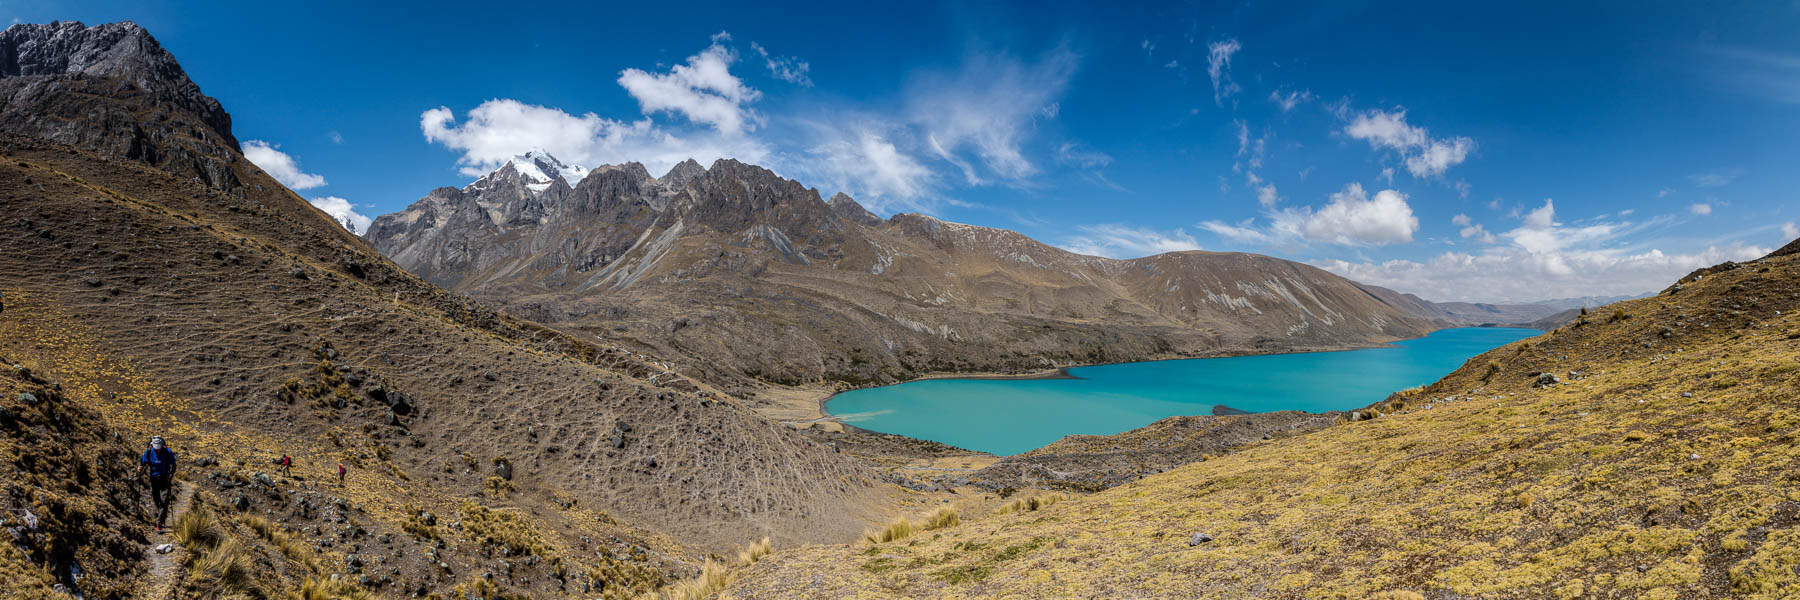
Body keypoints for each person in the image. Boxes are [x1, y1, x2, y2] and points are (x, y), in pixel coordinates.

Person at [138, 436, 177, 532]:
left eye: (159, 448)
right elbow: (143, 463)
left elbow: (174, 465)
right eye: (156, 449)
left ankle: (158, 523)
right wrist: (140, 468)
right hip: (154, 479)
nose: (157, 451)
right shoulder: (148, 452)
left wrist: (171, 475)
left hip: (164, 479)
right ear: (152, 446)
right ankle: (162, 517)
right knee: (156, 500)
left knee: (164, 500)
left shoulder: (167, 452)